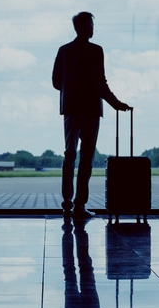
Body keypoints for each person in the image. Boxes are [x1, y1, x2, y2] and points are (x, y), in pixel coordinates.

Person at [51, 11, 131, 220]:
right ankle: (80, 205)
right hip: (90, 110)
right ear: (85, 28)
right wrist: (115, 104)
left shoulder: (64, 50)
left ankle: (67, 203)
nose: (93, 29)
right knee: (86, 159)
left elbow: (56, 81)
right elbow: (100, 83)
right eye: (91, 25)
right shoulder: (96, 51)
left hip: (70, 109)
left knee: (69, 155)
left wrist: (70, 90)